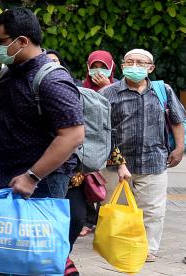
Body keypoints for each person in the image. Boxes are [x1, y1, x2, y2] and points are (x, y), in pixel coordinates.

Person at [0, 8, 84, 273]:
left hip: (39, 183)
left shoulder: (52, 79)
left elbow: (73, 135)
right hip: (6, 173)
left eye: (0, 41)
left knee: (37, 259)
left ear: (22, 41)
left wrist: (31, 177)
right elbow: (2, 117)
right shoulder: (10, 72)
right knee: (6, 252)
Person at [99, 48, 186, 262]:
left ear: (151, 68)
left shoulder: (162, 90)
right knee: (117, 209)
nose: (135, 66)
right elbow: (102, 130)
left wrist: (179, 147)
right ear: (122, 66)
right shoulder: (108, 93)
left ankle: (148, 249)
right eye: (130, 61)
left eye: (141, 62)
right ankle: (120, 245)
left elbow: (177, 119)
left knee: (153, 210)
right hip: (116, 164)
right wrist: (119, 162)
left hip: (154, 160)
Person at [78, 50, 117, 237]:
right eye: (95, 67)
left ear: (111, 68)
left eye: (103, 67)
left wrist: (107, 89)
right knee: (84, 183)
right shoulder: (80, 88)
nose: (99, 71)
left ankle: (102, 220)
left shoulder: (117, 88)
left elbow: (116, 116)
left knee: (105, 186)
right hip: (85, 144)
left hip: (110, 145)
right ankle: (87, 220)